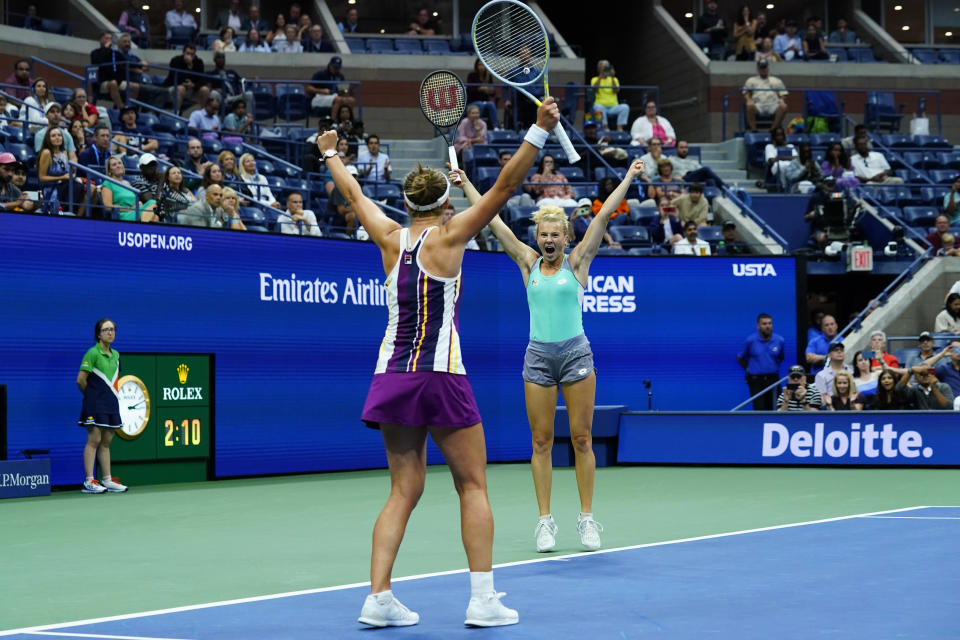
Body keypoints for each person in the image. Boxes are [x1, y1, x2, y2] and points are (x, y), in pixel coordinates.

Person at [318, 97, 558, 630]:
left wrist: (331, 155)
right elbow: (502, 188)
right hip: (442, 375)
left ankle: (377, 598)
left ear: (406, 204)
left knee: (403, 490)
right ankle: (482, 600)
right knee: (472, 485)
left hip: (391, 378)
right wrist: (539, 131)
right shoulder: (453, 236)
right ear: (446, 202)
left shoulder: (387, 237)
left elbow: (354, 192)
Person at [471, 159, 645, 554]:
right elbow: (493, 222)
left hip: (575, 355)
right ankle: (545, 522)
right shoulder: (527, 262)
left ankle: (586, 519)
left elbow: (601, 217)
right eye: (543, 234)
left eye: (555, 234)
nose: (549, 240)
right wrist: (467, 184)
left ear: (565, 237)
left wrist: (630, 178)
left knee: (582, 439)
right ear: (538, 236)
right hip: (537, 358)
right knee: (541, 442)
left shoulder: (578, 262)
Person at [76, 318, 128, 494]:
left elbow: (114, 381)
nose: (110, 332)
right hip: (94, 404)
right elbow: (81, 380)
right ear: (98, 334)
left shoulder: (117, 355)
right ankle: (89, 481)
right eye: (106, 330)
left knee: (106, 442)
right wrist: (91, 397)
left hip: (111, 403)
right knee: (94, 440)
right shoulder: (92, 353)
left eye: (112, 329)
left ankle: (107, 480)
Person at [737, 313, 786, 410]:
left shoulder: (779, 340)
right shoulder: (750, 341)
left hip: (773, 379)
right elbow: (740, 357)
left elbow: (780, 358)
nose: (768, 326)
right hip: (756, 380)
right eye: (764, 324)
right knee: (759, 408)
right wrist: (749, 368)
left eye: (770, 323)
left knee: (776, 407)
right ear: (758, 326)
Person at [101, 154, 159, 222]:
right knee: (154, 214)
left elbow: (133, 202)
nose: (118, 166)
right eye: (114, 165)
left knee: (155, 215)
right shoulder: (108, 183)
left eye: (120, 163)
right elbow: (108, 207)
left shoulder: (127, 183)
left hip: (135, 211)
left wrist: (139, 204)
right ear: (110, 170)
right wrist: (129, 208)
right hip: (123, 214)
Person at [743, 59, 788, 132]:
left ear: (768, 68)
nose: (763, 70)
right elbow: (745, 92)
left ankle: (773, 129)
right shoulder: (751, 80)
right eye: (761, 68)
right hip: (758, 105)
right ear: (758, 69)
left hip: (773, 104)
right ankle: (754, 130)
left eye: (765, 67)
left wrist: (782, 100)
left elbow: (783, 94)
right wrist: (748, 100)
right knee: (749, 106)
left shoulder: (777, 80)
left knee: (784, 106)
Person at [165, 43, 211, 115]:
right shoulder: (175, 60)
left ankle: (204, 114)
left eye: (192, 54)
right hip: (175, 87)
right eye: (188, 53)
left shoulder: (198, 62)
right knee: (181, 88)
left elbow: (202, 79)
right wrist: (189, 67)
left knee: (205, 90)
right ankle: (176, 114)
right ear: (183, 53)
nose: (190, 56)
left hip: (192, 89)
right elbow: (175, 78)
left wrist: (193, 85)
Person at [36, 126, 72, 214]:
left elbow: (67, 172)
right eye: (53, 136)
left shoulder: (64, 152)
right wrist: (61, 177)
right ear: (48, 139)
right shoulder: (46, 153)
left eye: (59, 135)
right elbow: (42, 177)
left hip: (64, 186)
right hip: (51, 189)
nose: (57, 137)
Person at [589, 60, 629, 132]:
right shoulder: (594, 79)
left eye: (606, 67)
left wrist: (613, 77)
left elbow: (616, 90)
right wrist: (600, 77)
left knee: (625, 107)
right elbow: (595, 89)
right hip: (600, 105)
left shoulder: (615, 79)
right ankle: (605, 128)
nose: (605, 69)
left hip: (614, 107)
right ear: (599, 69)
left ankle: (619, 128)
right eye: (603, 67)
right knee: (599, 107)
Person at [466, 58, 500, 129]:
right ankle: (477, 125)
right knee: (480, 104)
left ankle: (495, 127)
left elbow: (493, 93)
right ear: (476, 66)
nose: (481, 67)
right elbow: (469, 90)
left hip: (485, 103)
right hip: (472, 103)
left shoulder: (488, 76)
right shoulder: (471, 75)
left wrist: (489, 90)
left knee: (491, 104)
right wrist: (480, 89)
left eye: (483, 65)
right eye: (479, 65)